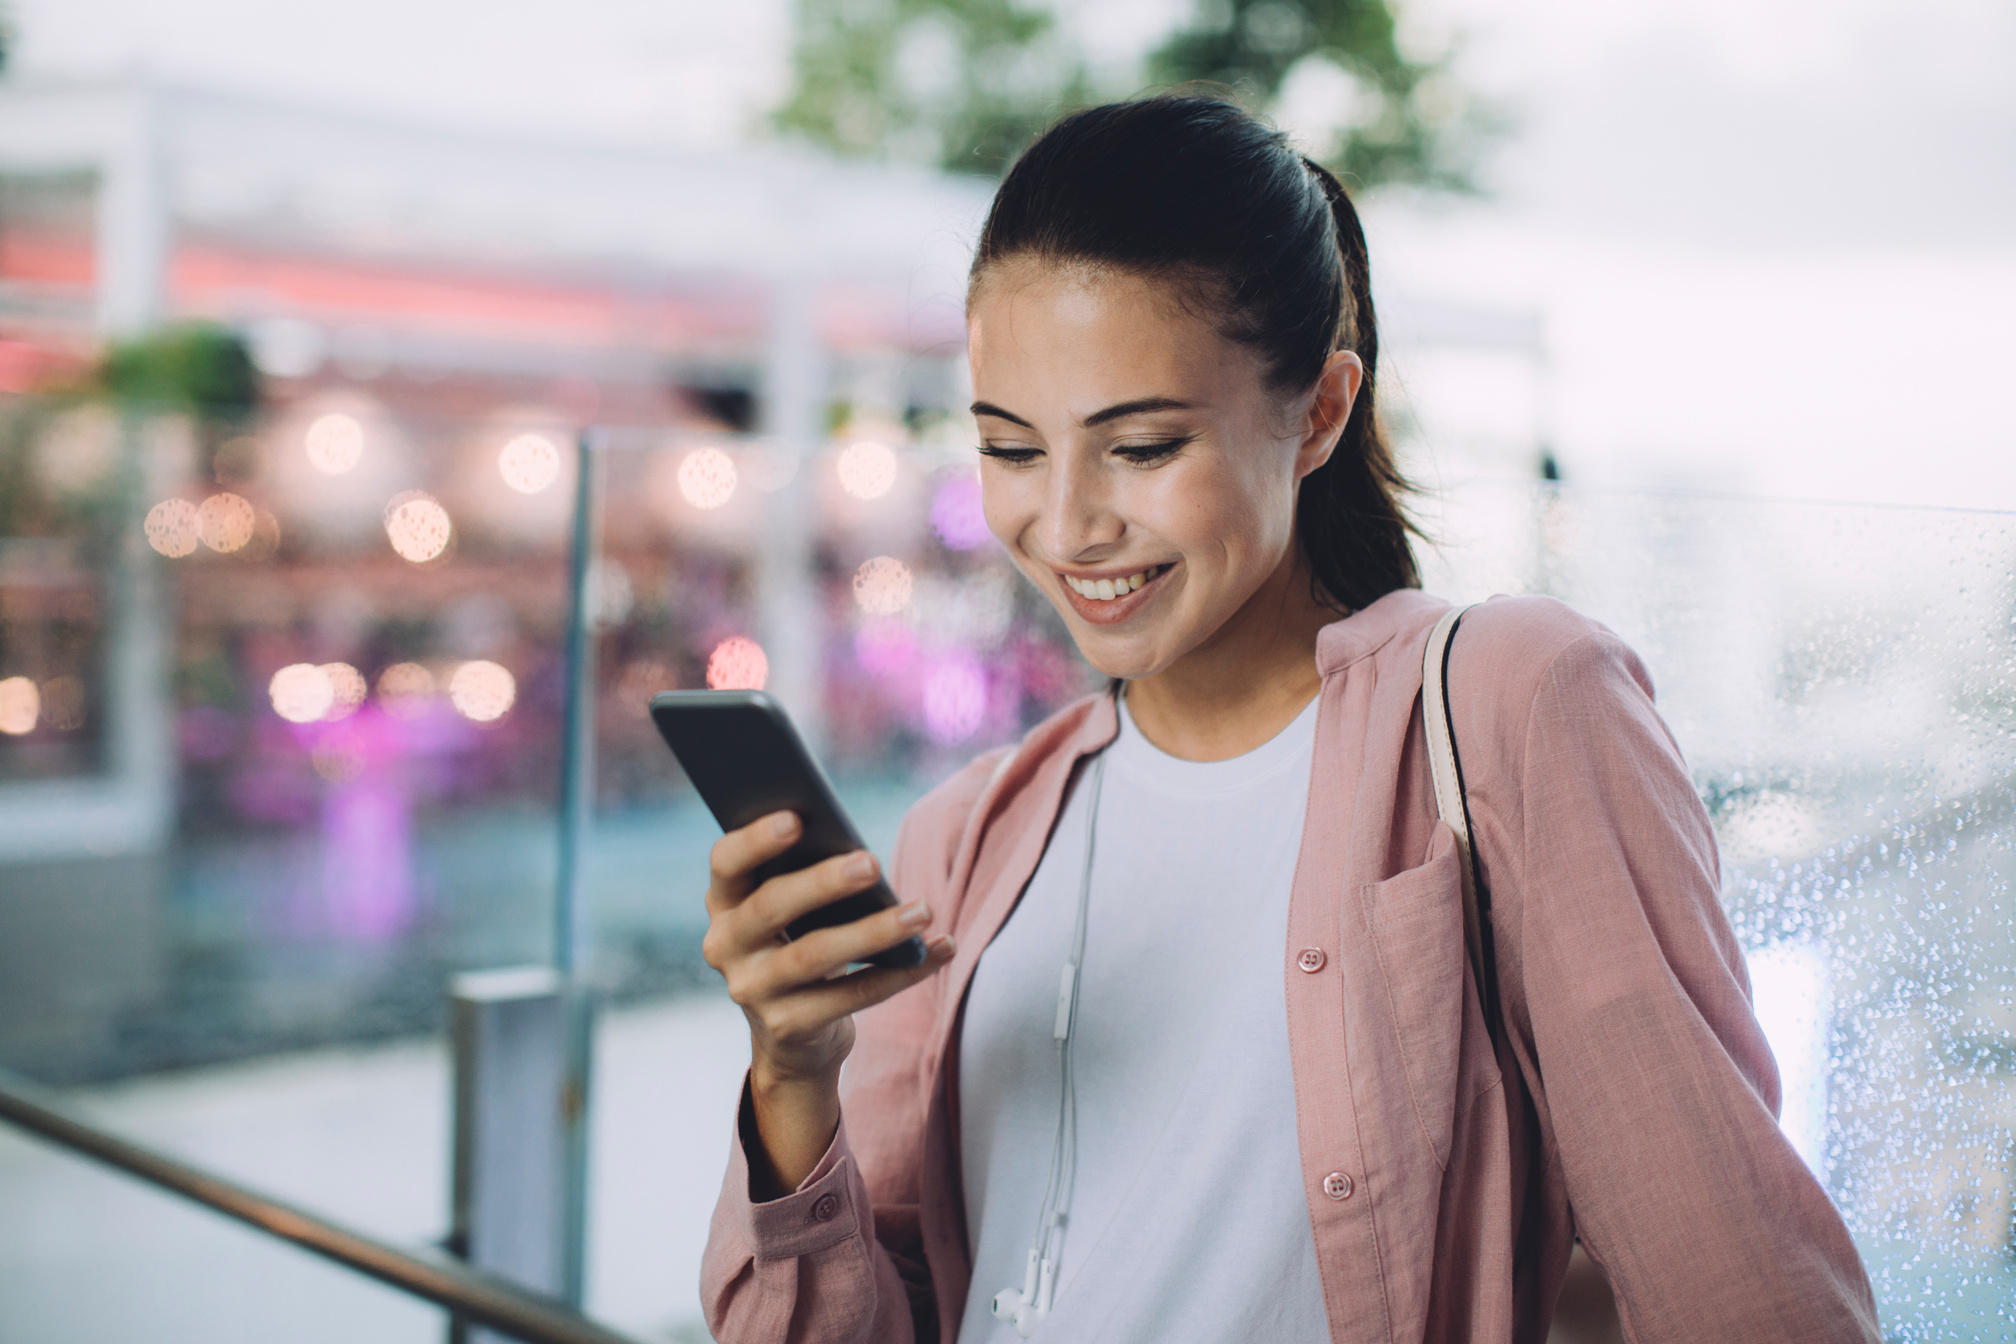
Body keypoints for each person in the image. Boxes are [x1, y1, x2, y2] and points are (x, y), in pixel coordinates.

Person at [695, 94, 1879, 1343]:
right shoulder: (966, 840)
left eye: (1141, 447)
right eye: (1011, 449)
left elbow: (1741, 1288)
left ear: (1318, 412)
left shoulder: (1511, 709)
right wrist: (791, 1076)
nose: (1068, 523)